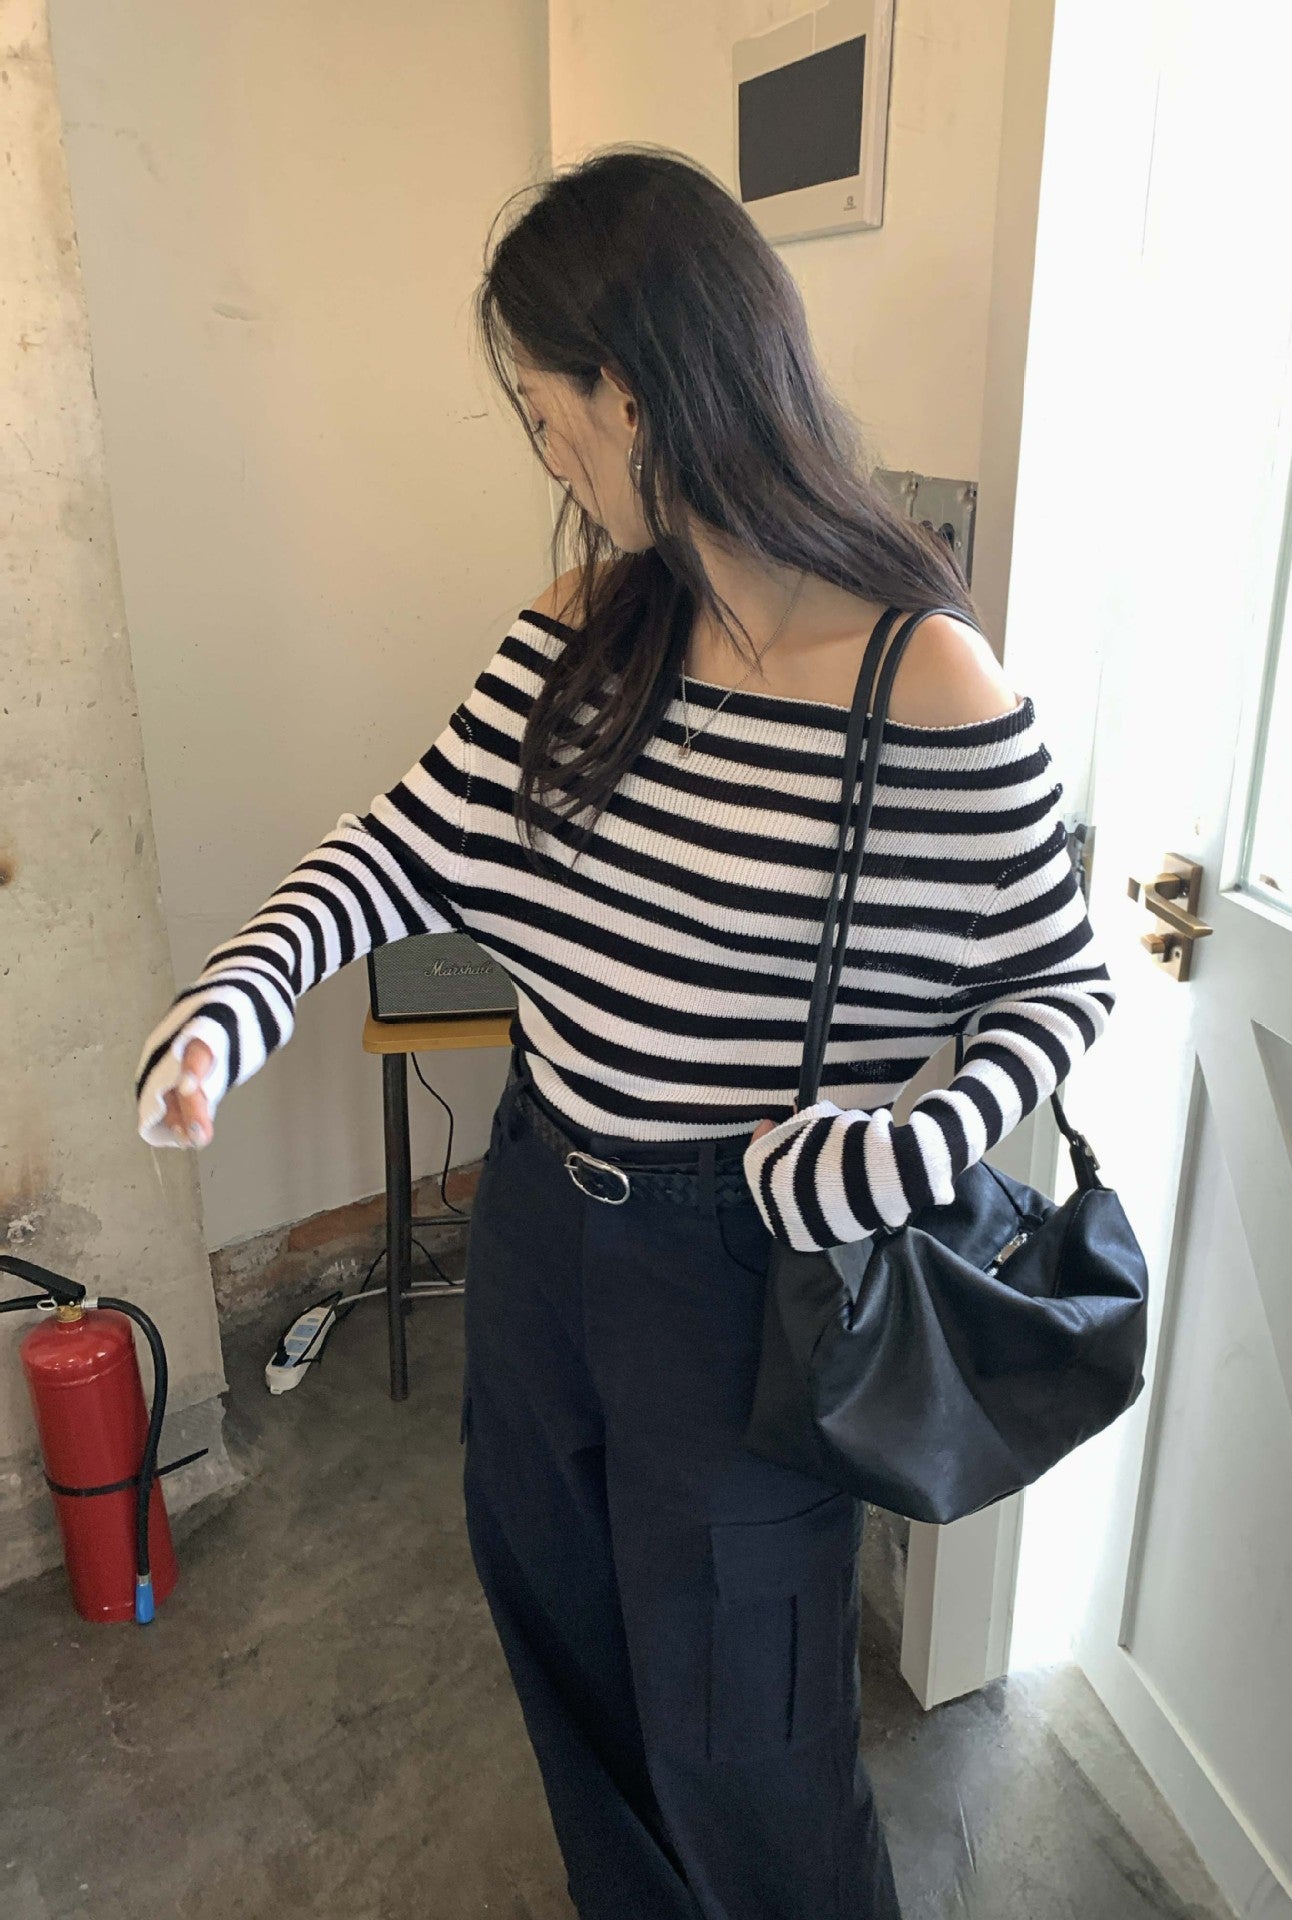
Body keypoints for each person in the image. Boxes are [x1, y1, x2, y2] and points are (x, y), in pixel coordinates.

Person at [135, 146, 1116, 1920]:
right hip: (541, 1225)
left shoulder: (923, 682)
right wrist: (238, 997)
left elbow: (1057, 984)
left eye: (546, 411)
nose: (549, 458)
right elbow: (404, 846)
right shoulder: (589, 626)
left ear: (644, 391)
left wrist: (912, 1143)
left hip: (739, 1275)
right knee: (562, 1628)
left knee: (748, 1729)